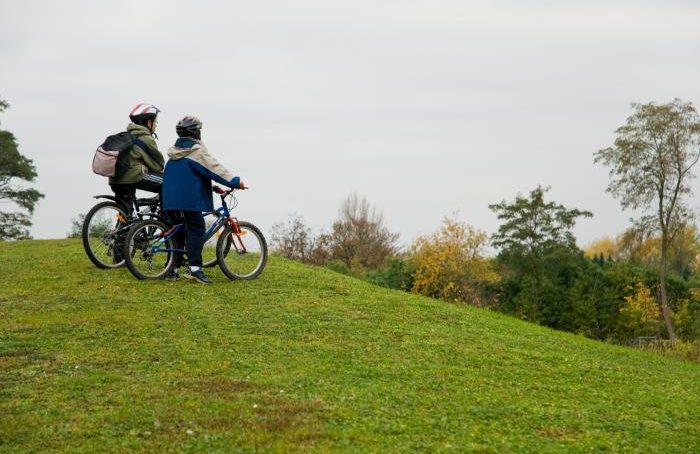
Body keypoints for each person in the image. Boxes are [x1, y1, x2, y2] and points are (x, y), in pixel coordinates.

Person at [162, 115, 245, 284]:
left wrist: (210, 186)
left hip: (170, 197)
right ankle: (195, 269)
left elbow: (188, 175)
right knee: (196, 228)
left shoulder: (174, 153)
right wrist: (236, 182)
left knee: (180, 230)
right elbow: (215, 169)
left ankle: (173, 268)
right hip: (188, 198)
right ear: (195, 132)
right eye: (199, 129)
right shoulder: (196, 152)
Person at [109, 103, 165, 210]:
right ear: (149, 122)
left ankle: (124, 225)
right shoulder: (145, 138)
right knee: (168, 182)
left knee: (126, 213)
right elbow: (158, 165)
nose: (156, 124)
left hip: (115, 180)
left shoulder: (126, 136)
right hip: (133, 177)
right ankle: (168, 217)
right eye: (156, 121)